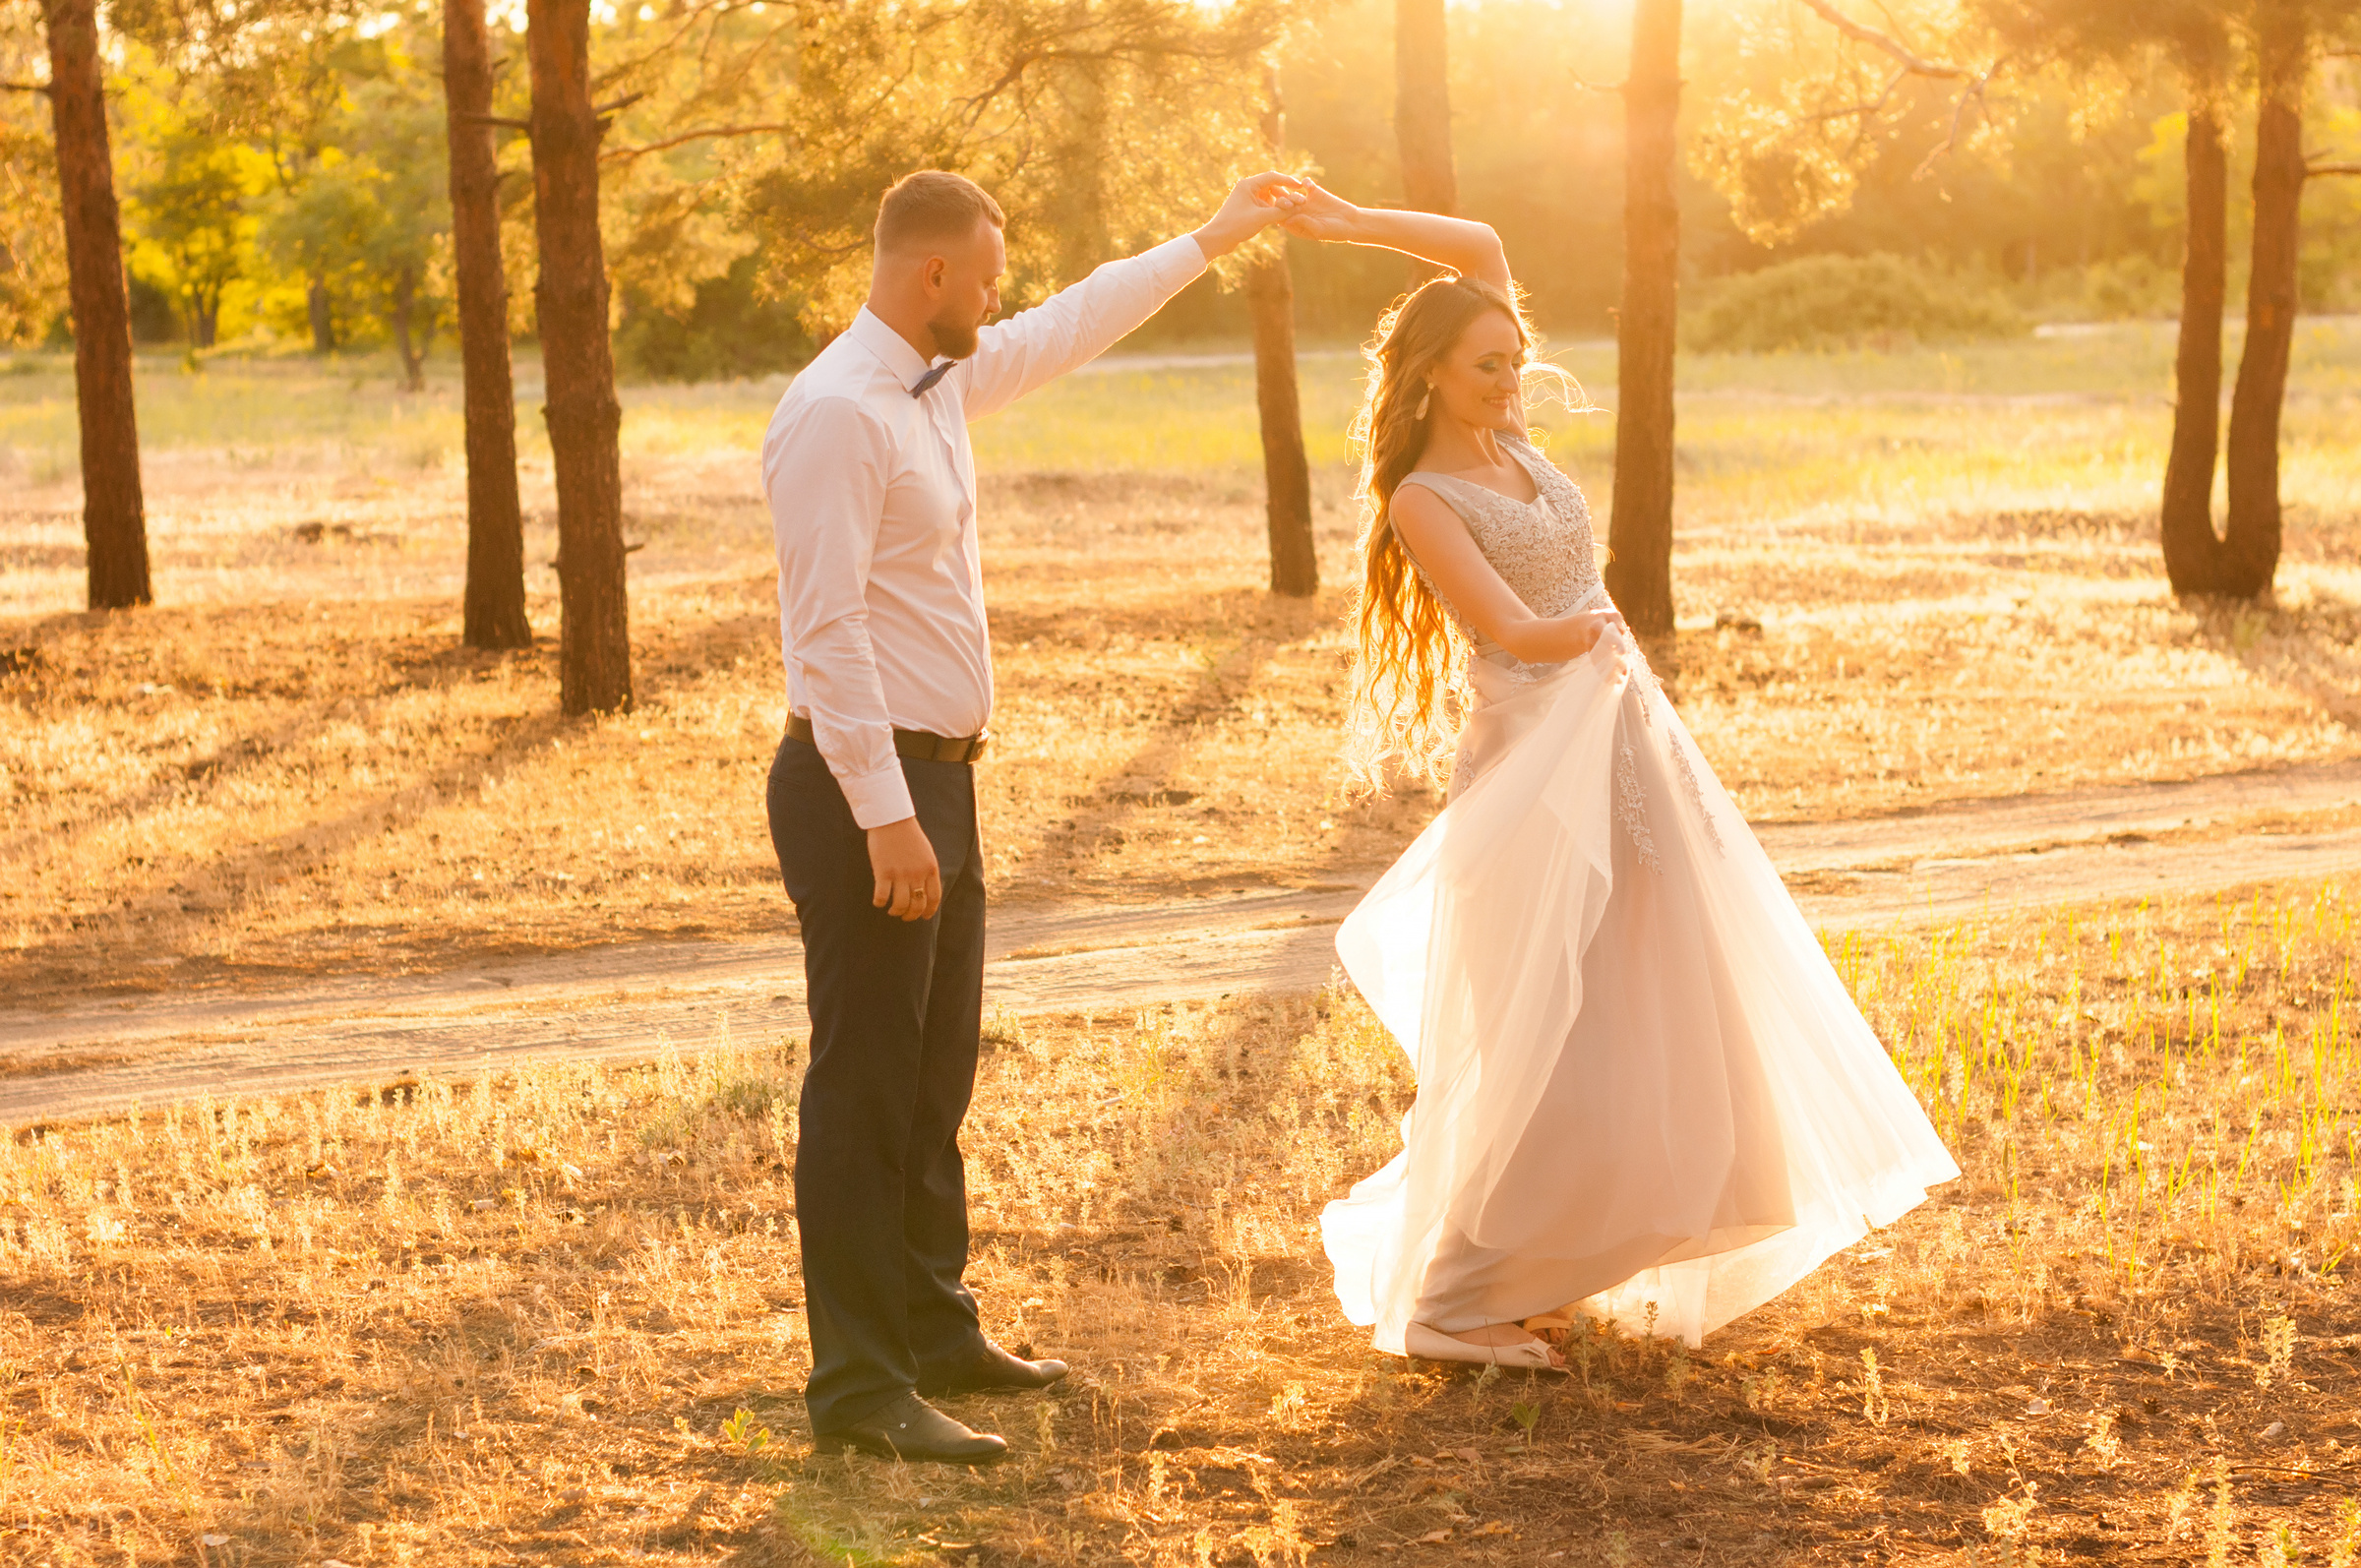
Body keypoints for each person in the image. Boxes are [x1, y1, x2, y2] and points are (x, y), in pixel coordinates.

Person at [1277, 181, 1961, 1369]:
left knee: (1651, 1001)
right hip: (1535, 762)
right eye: (1488, 365)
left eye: (1516, 361)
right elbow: (1503, 626)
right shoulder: (1423, 495)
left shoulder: (1513, 446)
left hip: (1621, 743)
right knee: (1548, 1022)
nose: (1510, 381)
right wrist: (1594, 629)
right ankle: (1455, 1294)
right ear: (1434, 372)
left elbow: (1484, 236)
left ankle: (1559, 1259)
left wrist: (1341, 218)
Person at [761, 168, 1306, 1463]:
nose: (1002, 299)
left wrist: (1210, 235)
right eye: (988, 276)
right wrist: (889, 815)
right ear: (932, 273)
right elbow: (825, 632)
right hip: (865, 786)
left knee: (933, 1074)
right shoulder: (839, 414)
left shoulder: (937, 382)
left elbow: (1073, 321)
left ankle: (934, 1329)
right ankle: (858, 1386)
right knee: (866, 1084)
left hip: (939, 774)